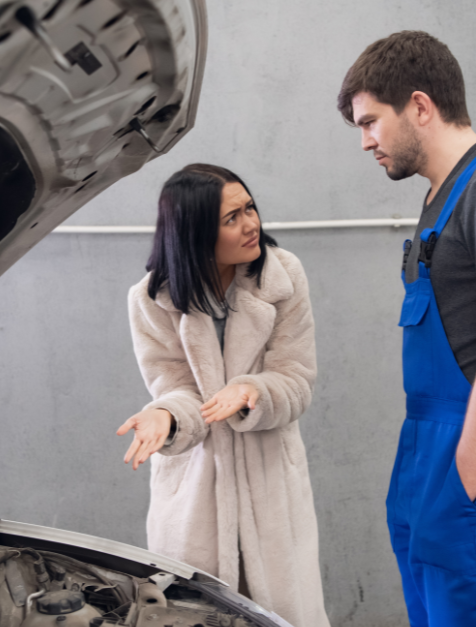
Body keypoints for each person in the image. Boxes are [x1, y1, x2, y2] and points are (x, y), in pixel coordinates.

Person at [336, 32, 476, 626]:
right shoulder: (443, 193)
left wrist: (461, 486)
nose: (365, 142)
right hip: (427, 447)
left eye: (370, 122)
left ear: (418, 106)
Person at [116, 164, 330, 627]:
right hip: (195, 492)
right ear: (193, 231)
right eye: (232, 217)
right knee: (195, 613)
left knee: (283, 613)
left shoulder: (283, 276)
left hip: (271, 483)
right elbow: (176, 388)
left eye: (249, 207)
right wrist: (166, 416)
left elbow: (296, 378)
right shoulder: (151, 299)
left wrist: (252, 390)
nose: (251, 223)